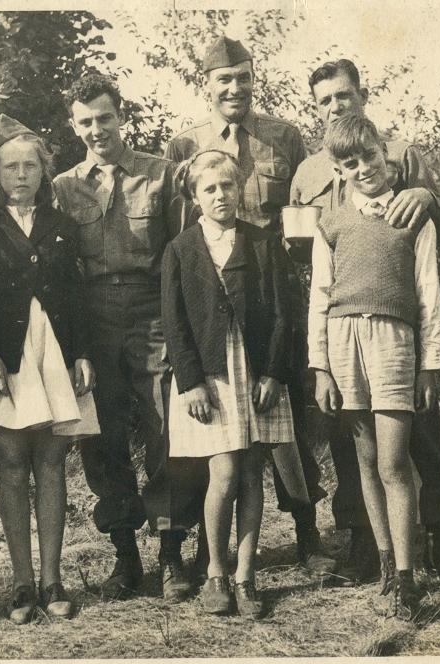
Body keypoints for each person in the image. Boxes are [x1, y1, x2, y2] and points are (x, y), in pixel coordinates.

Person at [290, 59, 440, 584]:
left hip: (397, 325)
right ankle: (374, 551)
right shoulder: (309, 171)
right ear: (316, 108)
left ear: (361, 94)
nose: (335, 105)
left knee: (416, 438)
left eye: (343, 95)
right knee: (357, 449)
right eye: (324, 100)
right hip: (345, 326)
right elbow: (313, 258)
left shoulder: (400, 151)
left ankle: (436, 539)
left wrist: (428, 197)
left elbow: (438, 234)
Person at [165, 35, 336, 576]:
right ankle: (200, 550)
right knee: (212, 438)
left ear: (252, 79)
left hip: (269, 292)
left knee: (284, 423)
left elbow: (308, 207)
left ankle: (306, 531)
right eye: (223, 80)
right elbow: (181, 234)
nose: (234, 88)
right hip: (211, 299)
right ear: (207, 85)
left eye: (243, 77)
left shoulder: (283, 136)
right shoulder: (183, 143)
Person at [53, 73, 195, 603]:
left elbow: (182, 254)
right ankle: (124, 554)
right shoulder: (63, 187)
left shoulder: (161, 176)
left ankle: (172, 551)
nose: (96, 130)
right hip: (91, 314)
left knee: (165, 426)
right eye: (85, 122)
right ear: (74, 126)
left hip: (150, 308)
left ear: (121, 116)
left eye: (105, 118)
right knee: (101, 434)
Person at [0, 115, 100, 623]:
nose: (21, 175)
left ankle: (53, 580)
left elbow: (77, 297)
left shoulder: (61, 226)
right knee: (12, 462)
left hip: (53, 354)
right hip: (4, 357)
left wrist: (82, 352)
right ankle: (22, 583)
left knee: (51, 461)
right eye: (11, 167)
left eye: (31, 166)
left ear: (45, 172)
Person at [310, 115, 440, 620]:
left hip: (394, 340)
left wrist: (430, 364)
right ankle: (388, 566)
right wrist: (319, 366)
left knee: (394, 462)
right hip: (345, 342)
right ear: (338, 170)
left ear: (384, 154)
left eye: (370, 156)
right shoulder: (332, 222)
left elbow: (429, 296)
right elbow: (318, 299)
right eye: (351, 163)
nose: (364, 168)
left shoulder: (414, 216)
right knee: (366, 460)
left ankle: (410, 575)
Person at [162, 150, 294, 618]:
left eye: (228, 186)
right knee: (224, 473)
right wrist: (190, 383)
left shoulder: (262, 243)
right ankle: (216, 570)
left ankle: (245, 575)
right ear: (195, 197)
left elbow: (283, 314)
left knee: (253, 472)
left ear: (240, 189)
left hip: (255, 372)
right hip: (211, 376)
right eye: (210, 189)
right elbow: (175, 324)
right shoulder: (180, 249)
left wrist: (275, 372)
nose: (221, 196)